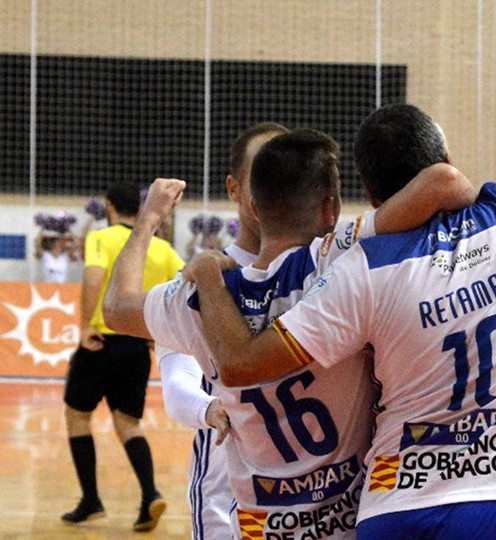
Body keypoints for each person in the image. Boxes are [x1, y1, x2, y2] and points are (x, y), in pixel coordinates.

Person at [182, 0, 496, 537]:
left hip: (394, 505)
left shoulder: (359, 268)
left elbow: (245, 365)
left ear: (368, 193)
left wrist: (207, 272)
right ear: (445, 156)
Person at [104, 131, 477, 539]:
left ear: (253, 204)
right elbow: (440, 185)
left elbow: (116, 309)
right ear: (330, 208)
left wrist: (150, 220)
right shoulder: (342, 264)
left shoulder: (197, 294)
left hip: (258, 523)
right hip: (347, 524)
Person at [154, 121, 289, 540]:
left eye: (285, 176)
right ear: (234, 189)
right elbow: (176, 387)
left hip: (317, 491)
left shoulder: (330, 271)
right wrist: (210, 410)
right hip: (227, 498)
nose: (274, 190)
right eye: (260, 178)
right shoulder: (196, 283)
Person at [61, 182, 183, 531]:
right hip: (138, 347)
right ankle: (149, 495)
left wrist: (85, 325)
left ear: (109, 207)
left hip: (102, 342)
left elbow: (94, 278)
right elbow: (180, 283)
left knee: (77, 417)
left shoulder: (103, 238)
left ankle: (91, 500)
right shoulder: (160, 248)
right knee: (128, 423)